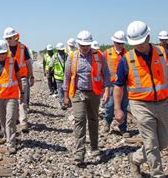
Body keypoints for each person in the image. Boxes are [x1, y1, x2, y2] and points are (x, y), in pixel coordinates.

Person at [114, 21, 168, 178]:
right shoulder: (127, 59)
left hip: (162, 103)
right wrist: (118, 109)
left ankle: (135, 159)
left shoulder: (163, 54)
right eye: (134, 42)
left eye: (141, 41)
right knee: (151, 144)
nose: (138, 45)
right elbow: (118, 86)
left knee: (164, 142)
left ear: (148, 37)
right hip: (140, 105)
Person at [63, 30, 111, 164]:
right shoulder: (72, 57)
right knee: (79, 119)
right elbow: (67, 77)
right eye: (83, 45)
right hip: (78, 92)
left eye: (87, 45)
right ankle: (79, 152)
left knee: (93, 119)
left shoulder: (99, 56)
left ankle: (94, 146)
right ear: (78, 44)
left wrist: (106, 90)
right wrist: (66, 96)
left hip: (94, 93)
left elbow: (106, 74)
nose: (85, 48)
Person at [0, 40, 23, 154]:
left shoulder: (13, 62)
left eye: (3, 53)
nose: (2, 55)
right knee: (2, 119)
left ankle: (11, 142)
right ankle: (5, 134)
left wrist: (21, 92)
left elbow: (18, 77)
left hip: (11, 96)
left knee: (10, 119)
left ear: (7, 52)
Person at [3, 27, 34, 132]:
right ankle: (15, 119)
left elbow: (28, 63)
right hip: (10, 79)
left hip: (22, 77)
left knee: (22, 99)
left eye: (10, 38)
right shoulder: (4, 49)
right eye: (6, 38)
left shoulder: (22, 48)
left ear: (14, 37)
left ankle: (24, 123)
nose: (8, 40)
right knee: (12, 101)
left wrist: (32, 76)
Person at [102, 30, 129, 137]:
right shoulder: (106, 53)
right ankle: (107, 122)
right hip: (112, 85)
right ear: (113, 42)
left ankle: (123, 127)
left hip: (124, 85)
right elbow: (102, 70)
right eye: (118, 43)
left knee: (123, 106)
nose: (120, 45)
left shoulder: (127, 54)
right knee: (110, 106)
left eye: (122, 43)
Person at [49, 42, 67, 109]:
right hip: (58, 77)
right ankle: (62, 104)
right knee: (60, 90)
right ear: (57, 50)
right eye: (61, 50)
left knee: (66, 90)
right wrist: (48, 72)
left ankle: (67, 101)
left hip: (66, 77)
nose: (62, 51)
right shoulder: (55, 56)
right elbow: (51, 65)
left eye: (63, 50)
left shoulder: (66, 56)